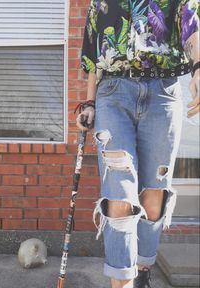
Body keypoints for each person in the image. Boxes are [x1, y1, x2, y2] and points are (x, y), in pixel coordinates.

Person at [76, 0, 200, 288]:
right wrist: (90, 102)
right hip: (114, 94)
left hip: (163, 94)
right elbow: (93, 53)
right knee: (119, 196)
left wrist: (198, 68)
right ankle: (123, 280)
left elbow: (191, 21)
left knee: (154, 195)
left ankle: (143, 265)